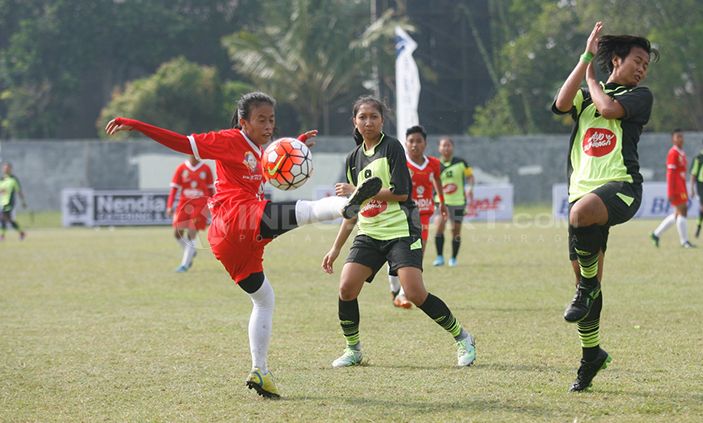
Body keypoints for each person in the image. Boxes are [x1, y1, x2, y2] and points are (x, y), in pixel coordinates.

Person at [105, 91, 382, 399]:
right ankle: (345, 207)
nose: (268, 126)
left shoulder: (260, 149)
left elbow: (267, 164)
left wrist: (294, 145)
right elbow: (182, 143)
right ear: (243, 121)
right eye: (261, 119)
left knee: (264, 300)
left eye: (272, 120)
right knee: (301, 210)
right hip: (237, 219)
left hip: (232, 241)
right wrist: (136, 124)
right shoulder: (227, 140)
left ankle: (260, 371)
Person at [321, 96, 476, 368]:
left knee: (414, 293)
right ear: (355, 122)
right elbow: (353, 209)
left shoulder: (391, 147)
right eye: (362, 117)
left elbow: (401, 192)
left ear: (382, 120)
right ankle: (353, 350)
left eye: (374, 117)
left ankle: (463, 338)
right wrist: (335, 248)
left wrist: (357, 191)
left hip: (401, 229)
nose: (368, 122)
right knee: (346, 288)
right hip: (368, 232)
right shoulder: (352, 159)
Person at [552, 22, 658, 392]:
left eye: (646, 64)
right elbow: (562, 103)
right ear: (617, 59)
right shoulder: (587, 92)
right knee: (587, 280)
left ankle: (586, 289)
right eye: (638, 61)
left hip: (622, 188)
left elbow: (608, 109)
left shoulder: (640, 96)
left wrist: (593, 77)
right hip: (580, 193)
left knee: (582, 233)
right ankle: (591, 355)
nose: (642, 68)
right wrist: (584, 59)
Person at [387, 125, 447, 309]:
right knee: (394, 256)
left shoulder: (434, 164)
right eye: (411, 141)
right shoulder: (400, 163)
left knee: (416, 256)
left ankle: (404, 294)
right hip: (401, 214)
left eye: (418, 141)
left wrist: (441, 201)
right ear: (405, 143)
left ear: (425, 144)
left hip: (423, 216)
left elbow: (437, 179)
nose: (414, 145)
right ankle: (396, 291)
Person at [166, 155, 215, 272]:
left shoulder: (206, 169)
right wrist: (169, 206)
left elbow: (211, 190)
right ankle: (191, 252)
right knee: (178, 234)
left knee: (192, 232)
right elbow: (174, 189)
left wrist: (213, 207)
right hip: (184, 204)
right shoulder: (182, 168)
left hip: (200, 205)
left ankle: (184, 265)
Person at [432, 137, 474, 267]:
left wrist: (470, 188)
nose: (446, 148)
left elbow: (470, 177)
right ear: (439, 148)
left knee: (455, 231)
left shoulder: (462, 163)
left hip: (458, 201)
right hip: (441, 201)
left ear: (453, 147)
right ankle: (439, 257)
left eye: (448, 145)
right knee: (439, 226)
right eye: (443, 146)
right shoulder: (435, 164)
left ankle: (453, 258)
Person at [650, 129, 695, 248]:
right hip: (676, 187)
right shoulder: (673, 153)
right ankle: (684, 241)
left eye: (681, 136)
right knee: (683, 211)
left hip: (682, 185)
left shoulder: (681, 152)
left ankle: (656, 234)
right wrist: (670, 191)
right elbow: (670, 173)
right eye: (678, 137)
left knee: (677, 213)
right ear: (673, 139)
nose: (680, 139)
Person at [0, 162, 27, 241]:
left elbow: (19, 191)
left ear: (10, 169)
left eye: (7, 168)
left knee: (2, 217)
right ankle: (21, 233)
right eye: (4, 168)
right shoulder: (1, 180)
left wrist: (23, 202)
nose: (6, 169)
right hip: (2, 202)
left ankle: (2, 236)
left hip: (9, 202)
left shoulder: (13, 179)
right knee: (8, 219)